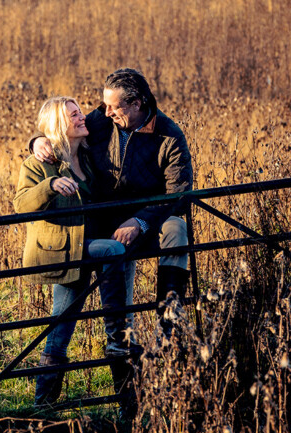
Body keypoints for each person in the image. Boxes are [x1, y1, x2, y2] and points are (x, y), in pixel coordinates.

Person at [31, 68, 192, 340]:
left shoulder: (170, 136)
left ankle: (169, 323)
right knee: (91, 310)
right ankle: (119, 344)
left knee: (177, 229)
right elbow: (62, 131)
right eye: (104, 105)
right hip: (101, 224)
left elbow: (178, 194)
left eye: (114, 107)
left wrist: (140, 222)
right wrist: (37, 142)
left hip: (147, 220)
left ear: (137, 104)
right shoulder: (103, 119)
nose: (105, 113)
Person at [14, 96, 138, 407]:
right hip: (65, 250)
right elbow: (21, 204)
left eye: (80, 112)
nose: (82, 118)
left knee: (61, 324)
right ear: (59, 124)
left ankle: (121, 395)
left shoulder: (89, 153)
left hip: (91, 246)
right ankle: (44, 406)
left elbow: (107, 108)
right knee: (62, 325)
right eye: (73, 115)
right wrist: (50, 185)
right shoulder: (38, 164)